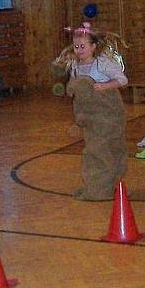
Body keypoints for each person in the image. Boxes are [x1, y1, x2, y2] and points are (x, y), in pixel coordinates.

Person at [56, 26, 128, 201]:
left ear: (93, 46)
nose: (79, 50)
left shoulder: (103, 63)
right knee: (98, 151)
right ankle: (102, 187)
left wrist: (104, 86)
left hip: (108, 115)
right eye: (76, 47)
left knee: (103, 151)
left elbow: (122, 80)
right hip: (90, 118)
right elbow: (75, 86)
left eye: (83, 46)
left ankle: (101, 190)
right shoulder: (75, 65)